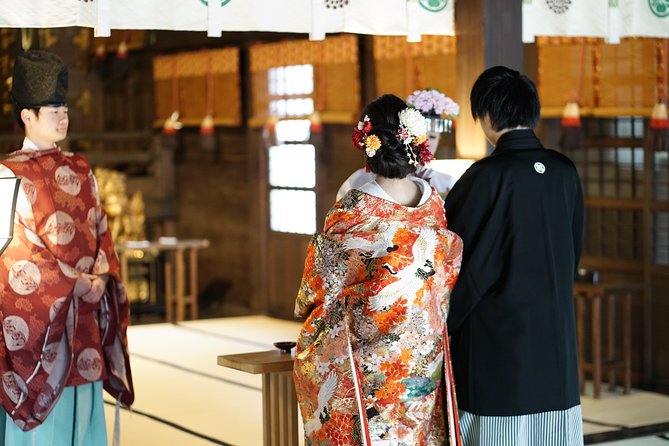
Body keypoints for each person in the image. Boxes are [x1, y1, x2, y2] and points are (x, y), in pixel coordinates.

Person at [293, 94, 463, 445]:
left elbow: (318, 287)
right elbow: (444, 277)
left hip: (370, 359)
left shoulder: (353, 211)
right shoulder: (435, 205)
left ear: (367, 145)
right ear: (415, 144)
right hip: (421, 353)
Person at [443, 66, 584, 445]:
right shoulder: (564, 172)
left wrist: (444, 320)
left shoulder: (485, 176)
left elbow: (461, 263)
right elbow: (572, 251)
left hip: (498, 335)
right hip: (553, 331)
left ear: (486, 115)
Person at [0, 50, 133, 445]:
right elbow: (14, 251)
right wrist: (70, 282)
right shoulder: (7, 174)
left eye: (64, 108)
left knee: (86, 414)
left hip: (86, 314)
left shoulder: (81, 167)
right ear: (27, 115)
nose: (63, 117)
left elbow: (101, 229)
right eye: (52, 109)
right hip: (44, 322)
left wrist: (101, 275)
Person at [336, 111, 455, 201]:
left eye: (433, 137)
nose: (425, 142)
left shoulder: (446, 182)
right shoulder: (358, 180)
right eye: (421, 135)